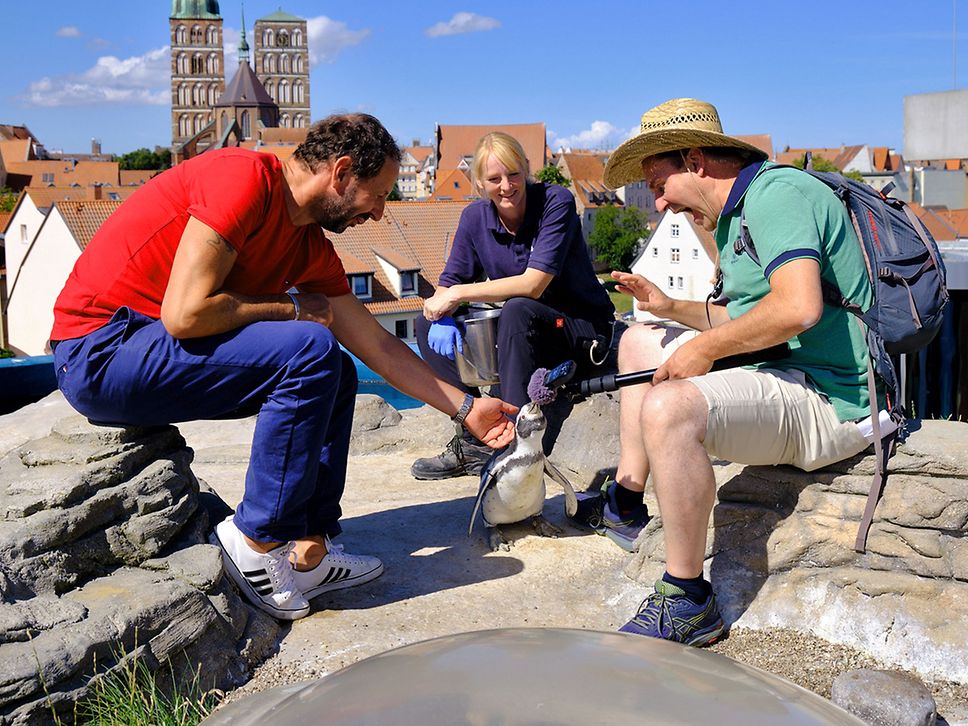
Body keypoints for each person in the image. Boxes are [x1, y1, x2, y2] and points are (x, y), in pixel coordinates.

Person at [49, 113, 517, 622]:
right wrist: (290, 308)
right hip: (99, 350)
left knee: (334, 368)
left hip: (147, 353)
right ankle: (254, 541)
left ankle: (307, 548)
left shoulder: (307, 246)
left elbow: (379, 348)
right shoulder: (242, 179)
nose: (381, 213)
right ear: (340, 173)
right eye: (378, 195)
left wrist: (467, 408)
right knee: (308, 346)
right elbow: (184, 315)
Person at [599, 98, 875, 645]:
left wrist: (705, 351)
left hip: (835, 398)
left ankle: (687, 600)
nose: (659, 206)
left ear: (697, 161)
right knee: (636, 343)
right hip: (787, 372)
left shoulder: (776, 196)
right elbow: (749, 317)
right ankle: (628, 503)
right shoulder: (739, 214)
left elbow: (798, 309)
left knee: (669, 407)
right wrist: (670, 306)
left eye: (659, 184)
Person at [411, 132, 615, 480]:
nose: (506, 186)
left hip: (580, 331)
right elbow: (450, 282)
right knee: (426, 325)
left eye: (513, 174)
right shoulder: (475, 218)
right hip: (525, 331)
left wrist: (456, 294)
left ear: (527, 171)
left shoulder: (556, 202)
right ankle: (475, 433)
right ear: (479, 183)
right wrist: (440, 309)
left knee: (518, 307)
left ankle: (515, 452)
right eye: (494, 179)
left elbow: (533, 284)